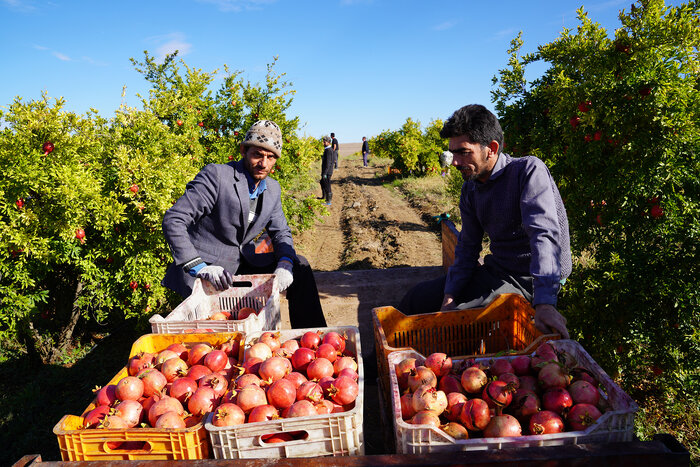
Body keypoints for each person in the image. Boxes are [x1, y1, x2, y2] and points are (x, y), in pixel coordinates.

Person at [398, 104, 571, 338]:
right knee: (417, 298)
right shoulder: (471, 189)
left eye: (463, 152)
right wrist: (450, 293)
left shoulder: (527, 172)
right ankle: (372, 369)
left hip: (532, 278)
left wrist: (545, 303)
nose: (454, 162)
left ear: (491, 148)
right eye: (453, 153)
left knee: (458, 325)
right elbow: (467, 247)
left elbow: (544, 236)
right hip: (497, 270)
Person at [161, 120, 327, 329]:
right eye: (258, 154)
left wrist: (285, 263)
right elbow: (174, 219)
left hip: (242, 261)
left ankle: (314, 338)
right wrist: (198, 266)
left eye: (271, 157)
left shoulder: (272, 189)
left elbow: (281, 232)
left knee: (299, 266)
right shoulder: (217, 176)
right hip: (210, 267)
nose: (264, 163)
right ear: (244, 151)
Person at [320, 135, 334, 206]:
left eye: (325, 142)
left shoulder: (329, 150)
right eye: (323, 142)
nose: (323, 143)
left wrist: (325, 173)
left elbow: (328, 163)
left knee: (327, 185)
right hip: (326, 171)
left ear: (329, 142)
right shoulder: (327, 149)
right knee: (322, 182)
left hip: (327, 172)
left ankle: (328, 201)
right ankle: (324, 197)